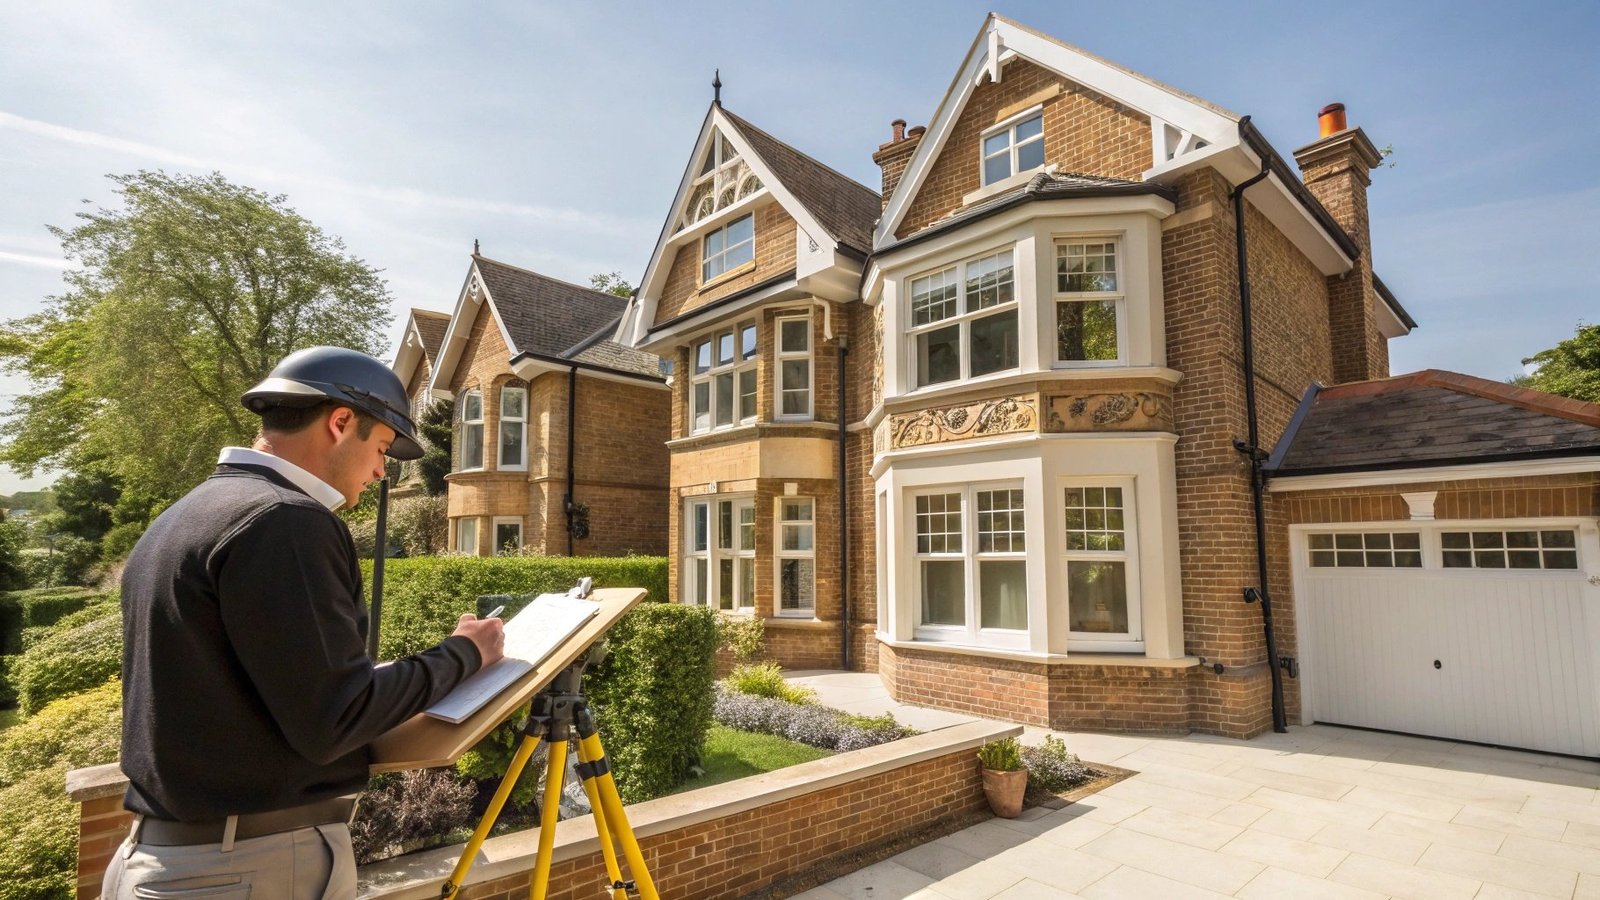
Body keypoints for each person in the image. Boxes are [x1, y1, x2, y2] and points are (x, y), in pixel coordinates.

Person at [104, 346, 505, 900]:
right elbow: (337, 719)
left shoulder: (188, 514)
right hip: (247, 868)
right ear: (340, 423)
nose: (381, 471)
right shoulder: (286, 521)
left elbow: (261, 691)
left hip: (180, 859)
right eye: (381, 447)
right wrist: (467, 653)